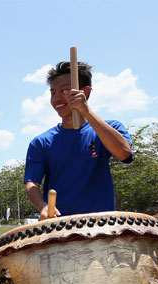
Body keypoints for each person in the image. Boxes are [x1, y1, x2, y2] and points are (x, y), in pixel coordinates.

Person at [24, 61, 133, 220]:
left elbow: (124, 154)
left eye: (64, 90)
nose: (56, 98)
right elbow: (31, 183)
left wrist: (87, 111)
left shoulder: (108, 128)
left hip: (101, 225)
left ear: (86, 92)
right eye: (53, 92)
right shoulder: (41, 142)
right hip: (60, 226)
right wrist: (43, 206)